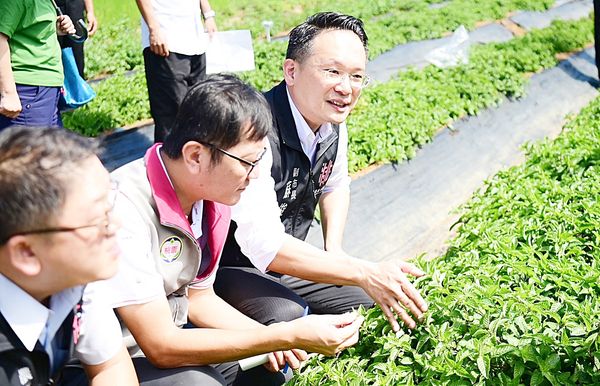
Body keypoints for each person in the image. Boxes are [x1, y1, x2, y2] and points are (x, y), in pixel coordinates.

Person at [96, 74, 364, 386]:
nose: (255, 175)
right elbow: (160, 346)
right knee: (199, 382)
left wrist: (269, 338)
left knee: (264, 361)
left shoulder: (212, 198)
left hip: (165, 335)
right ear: (196, 155)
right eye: (248, 162)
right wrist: (281, 335)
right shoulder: (125, 209)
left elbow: (198, 298)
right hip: (110, 360)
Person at [215, 12, 428, 331]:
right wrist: (360, 270)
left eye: (357, 76)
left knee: (373, 300)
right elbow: (266, 246)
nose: (346, 88)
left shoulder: (329, 121)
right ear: (291, 71)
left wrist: (336, 252)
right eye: (333, 71)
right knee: (289, 316)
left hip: (286, 258)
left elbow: (335, 184)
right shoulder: (253, 133)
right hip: (232, 266)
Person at [0, 126, 137, 385]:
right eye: (99, 219)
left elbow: (111, 365)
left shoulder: (72, 279)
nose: (116, 224)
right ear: (26, 253)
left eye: (110, 206)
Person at [135, 0, 218, 143]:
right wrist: (154, 29)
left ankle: (194, 159)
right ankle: (169, 161)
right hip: (166, 41)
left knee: (198, 106)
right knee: (171, 114)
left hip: (195, 39)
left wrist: (208, 14)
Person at [0, 1, 75, 130]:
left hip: (46, 92)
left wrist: (54, 27)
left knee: (49, 148)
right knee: (31, 149)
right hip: (28, 92)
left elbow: (26, 25)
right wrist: (8, 93)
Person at [56, 0, 98, 78]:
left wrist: (90, 11)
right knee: (53, 58)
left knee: (77, 60)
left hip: (74, 7)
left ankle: (77, 87)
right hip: (49, 7)